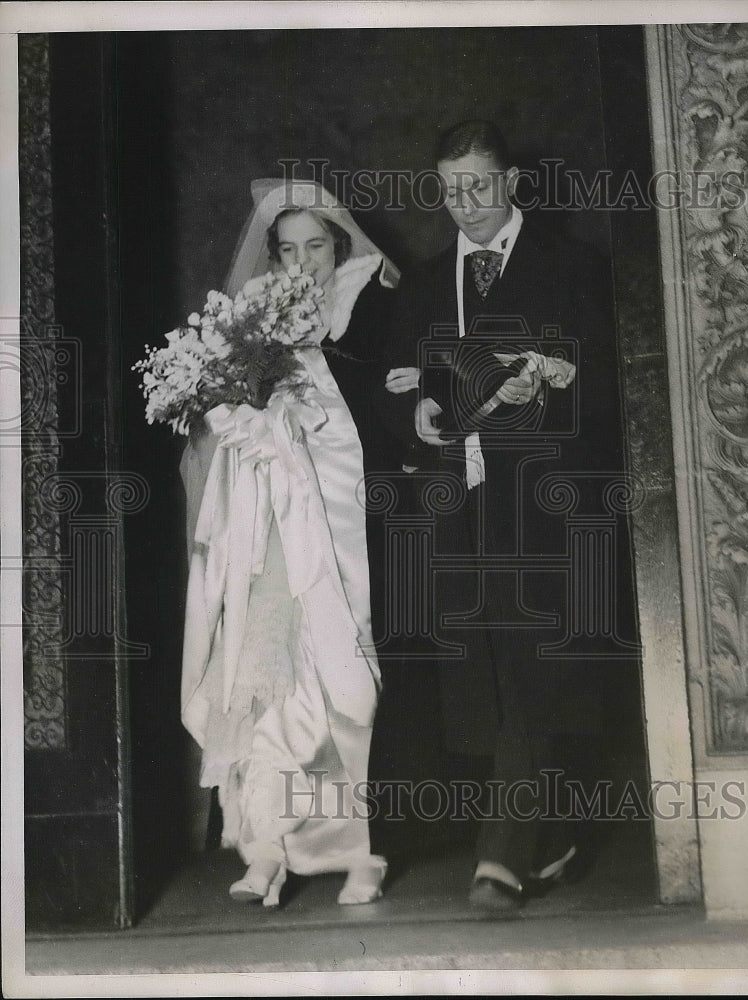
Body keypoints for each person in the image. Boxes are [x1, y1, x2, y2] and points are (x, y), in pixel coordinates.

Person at [381, 120, 630, 910]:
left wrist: (551, 386)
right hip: (461, 512)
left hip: (550, 510)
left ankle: (500, 854)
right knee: (484, 684)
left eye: (480, 186)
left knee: (533, 668)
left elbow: (618, 385)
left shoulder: (573, 265)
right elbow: (399, 388)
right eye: (451, 190)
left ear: (513, 183)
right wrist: (417, 412)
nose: (467, 204)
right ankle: (552, 835)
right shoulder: (423, 284)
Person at [179, 178, 404, 907]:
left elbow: (381, 404)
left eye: (316, 246)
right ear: (272, 256)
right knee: (269, 661)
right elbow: (225, 426)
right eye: (288, 249)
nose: (302, 262)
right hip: (277, 519)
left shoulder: (366, 301)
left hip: (350, 516)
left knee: (348, 666)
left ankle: (361, 847)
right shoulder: (254, 323)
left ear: (337, 245)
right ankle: (267, 843)